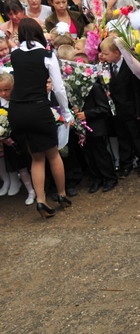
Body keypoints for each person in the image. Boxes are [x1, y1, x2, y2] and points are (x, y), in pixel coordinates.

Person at [8, 18, 73, 218]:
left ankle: (40, 199)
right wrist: (66, 111)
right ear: (38, 32)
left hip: (17, 110)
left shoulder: (15, 54)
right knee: (52, 154)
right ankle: (61, 194)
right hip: (38, 108)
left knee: (36, 157)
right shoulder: (47, 55)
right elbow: (59, 87)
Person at [100, 37, 140, 178]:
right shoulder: (106, 67)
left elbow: (136, 90)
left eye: (106, 53)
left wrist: (139, 111)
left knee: (136, 136)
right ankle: (126, 163)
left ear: (117, 52)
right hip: (116, 110)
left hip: (131, 109)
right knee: (122, 137)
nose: (103, 56)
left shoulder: (129, 66)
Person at [72, 58, 118, 194]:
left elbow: (104, 108)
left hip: (96, 126)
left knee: (100, 154)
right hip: (83, 129)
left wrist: (87, 113)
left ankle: (109, 178)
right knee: (89, 155)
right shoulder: (75, 89)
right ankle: (96, 179)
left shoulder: (95, 87)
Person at [0, 72, 36, 204]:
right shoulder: (1, 106)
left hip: (24, 138)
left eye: (6, 90)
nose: (3, 93)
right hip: (10, 142)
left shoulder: (19, 101)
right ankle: (30, 191)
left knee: (33, 163)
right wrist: (4, 137)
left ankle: (39, 189)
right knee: (21, 167)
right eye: (0, 91)